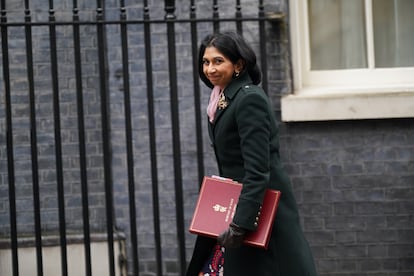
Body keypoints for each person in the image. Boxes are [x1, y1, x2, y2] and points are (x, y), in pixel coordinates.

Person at [186, 31, 318, 276]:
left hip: (261, 212)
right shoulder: (222, 99)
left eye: (218, 61)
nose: (210, 69)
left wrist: (240, 225)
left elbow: (257, 170)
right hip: (242, 209)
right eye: (206, 62)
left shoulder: (248, 99)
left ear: (238, 65)